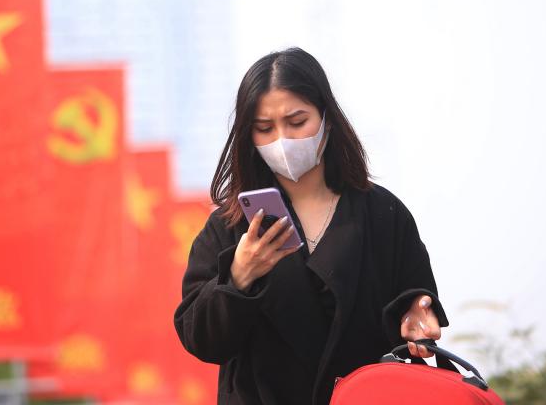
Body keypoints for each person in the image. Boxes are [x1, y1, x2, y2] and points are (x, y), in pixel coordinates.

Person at [173, 47, 449, 404]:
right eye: (264, 128)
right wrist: (237, 278)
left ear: (327, 118)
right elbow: (201, 340)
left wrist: (416, 317)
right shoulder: (229, 226)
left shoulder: (383, 214)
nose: (282, 140)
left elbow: (415, 305)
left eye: (297, 121)